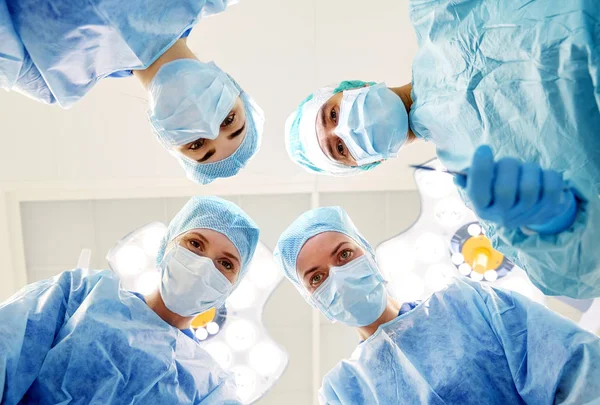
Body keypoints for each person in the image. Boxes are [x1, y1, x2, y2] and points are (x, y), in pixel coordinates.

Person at [284, 0, 600, 299]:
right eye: (340, 147)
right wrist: (551, 221)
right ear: (367, 164)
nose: (347, 128)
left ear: (350, 88)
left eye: (333, 115)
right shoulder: (483, 186)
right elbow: (574, 273)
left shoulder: (437, 11)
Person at [274, 206, 600, 404]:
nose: (338, 277)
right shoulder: (342, 392)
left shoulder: (466, 305)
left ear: (369, 254)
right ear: (313, 300)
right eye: (317, 278)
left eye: (344, 254)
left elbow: (578, 373)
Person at [0, 196, 260, 404]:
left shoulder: (211, 388)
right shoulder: (81, 294)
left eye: (225, 263)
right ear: (165, 248)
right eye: (195, 244)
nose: (203, 266)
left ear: (230, 289)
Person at [0, 0, 264, 184]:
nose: (207, 125)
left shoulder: (52, 81)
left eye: (197, 145)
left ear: (165, 138)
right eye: (229, 120)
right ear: (234, 87)